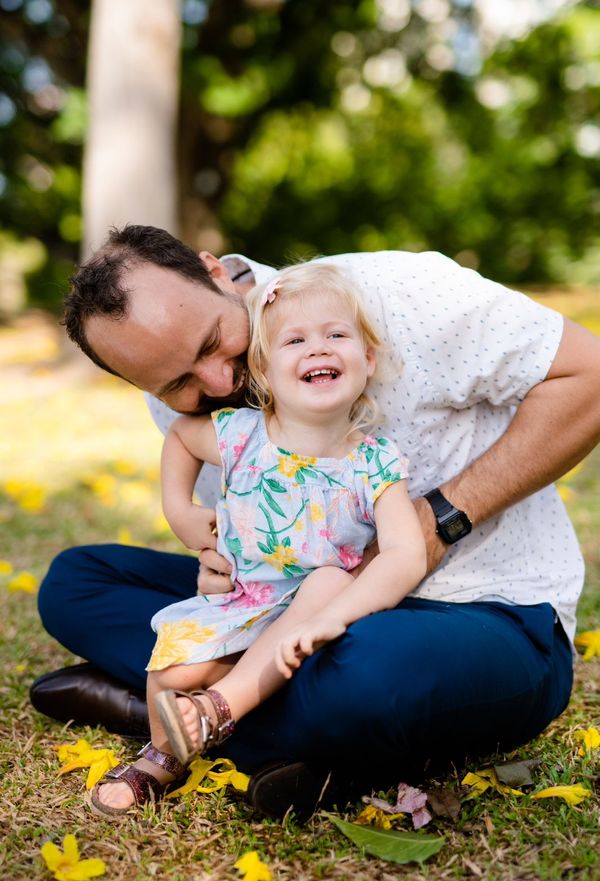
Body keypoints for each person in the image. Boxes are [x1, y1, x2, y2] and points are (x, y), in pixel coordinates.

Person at [31, 224, 600, 820]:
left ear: (216, 272)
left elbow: (587, 377)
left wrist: (439, 522)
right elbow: (257, 531)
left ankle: (159, 713)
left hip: (480, 612)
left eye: (211, 342)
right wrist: (220, 561)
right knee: (77, 582)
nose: (220, 383)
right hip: (287, 613)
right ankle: (255, 725)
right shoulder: (187, 402)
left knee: (369, 672)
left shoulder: (400, 294)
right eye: (178, 384)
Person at [90, 263, 426, 816]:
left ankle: (219, 710)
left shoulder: (375, 463)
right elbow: (180, 437)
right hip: (245, 602)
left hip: (314, 618)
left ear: (367, 359)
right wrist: (179, 508)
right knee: (167, 674)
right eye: (295, 340)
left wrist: (332, 617)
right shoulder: (243, 437)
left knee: (327, 579)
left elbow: (406, 554)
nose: (318, 349)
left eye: (336, 335)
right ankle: (168, 753)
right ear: (264, 370)